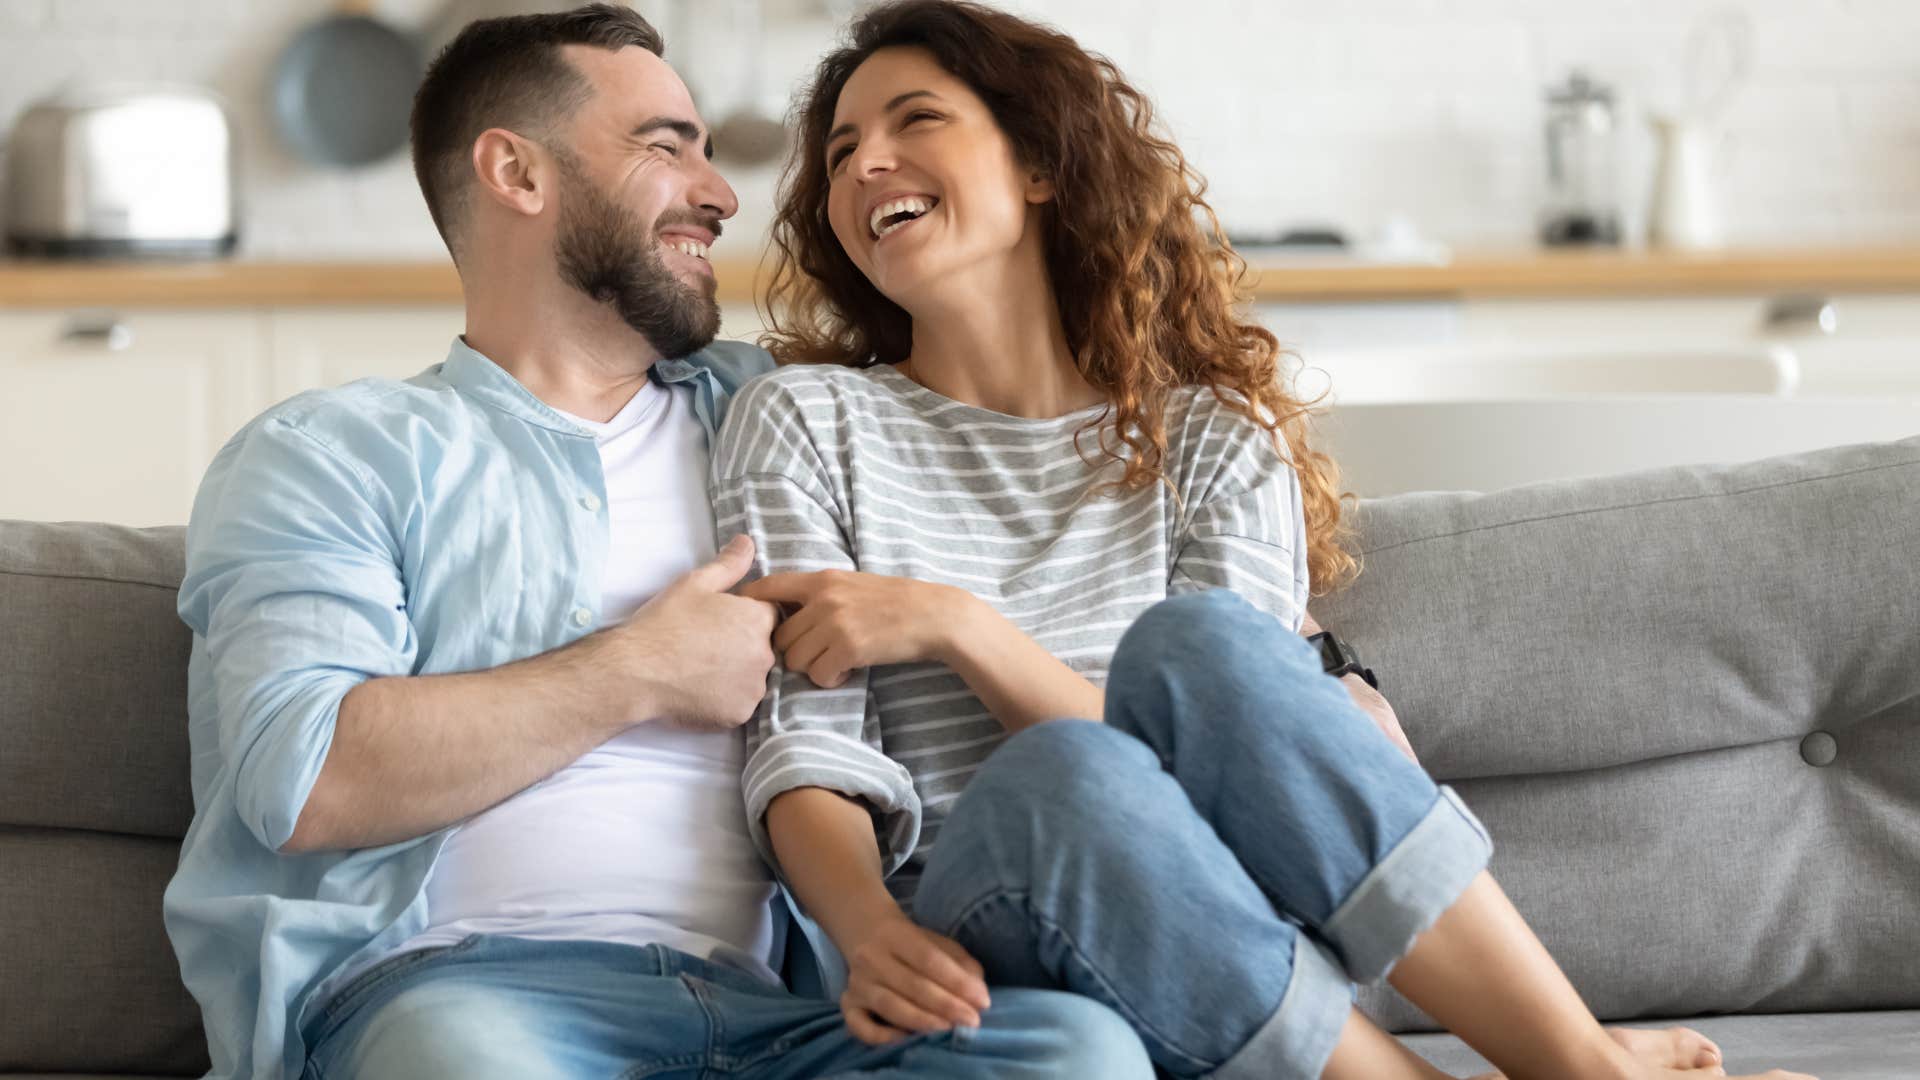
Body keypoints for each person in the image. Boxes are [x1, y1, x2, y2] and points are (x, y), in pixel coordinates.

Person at [709, 3, 1816, 1079]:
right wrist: (862, 929)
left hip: (1229, 919)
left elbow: (1227, 761)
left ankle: (1577, 1071)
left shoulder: (1213, 438)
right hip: (985, 906)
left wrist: (963, 629)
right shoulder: (808, 419)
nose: (864, 165)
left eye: (916, 121)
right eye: (843, 147)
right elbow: (806, 744)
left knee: (1207, 648)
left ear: (1039, 164)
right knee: (1067, 773)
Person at [163, 5, 1150, 1078]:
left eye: (712, 155)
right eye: (666, 146)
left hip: (786, 1020)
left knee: (1077, 1052)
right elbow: (302, 779)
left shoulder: (787, 419)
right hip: (466, 999)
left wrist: (1316, 671)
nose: (723, 195)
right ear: (517, 173)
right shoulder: (332, 454)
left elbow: (1051, 526)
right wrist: (640, 671)